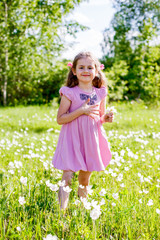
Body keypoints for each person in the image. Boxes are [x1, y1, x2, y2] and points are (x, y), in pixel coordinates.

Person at [52, 51, 114, 209]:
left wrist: (106, 118)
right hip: (72, 139)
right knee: (67, 176)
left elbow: (99, 116)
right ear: (74, 71)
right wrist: (81, 110)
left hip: (91, 139)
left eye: (89, 67)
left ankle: (83, 206)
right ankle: (61, 211)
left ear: (96, 70)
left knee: (85, 178)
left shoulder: (100, 92)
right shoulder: (69, 92)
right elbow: (60, 119)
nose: (85, 71)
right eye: (81, 67)